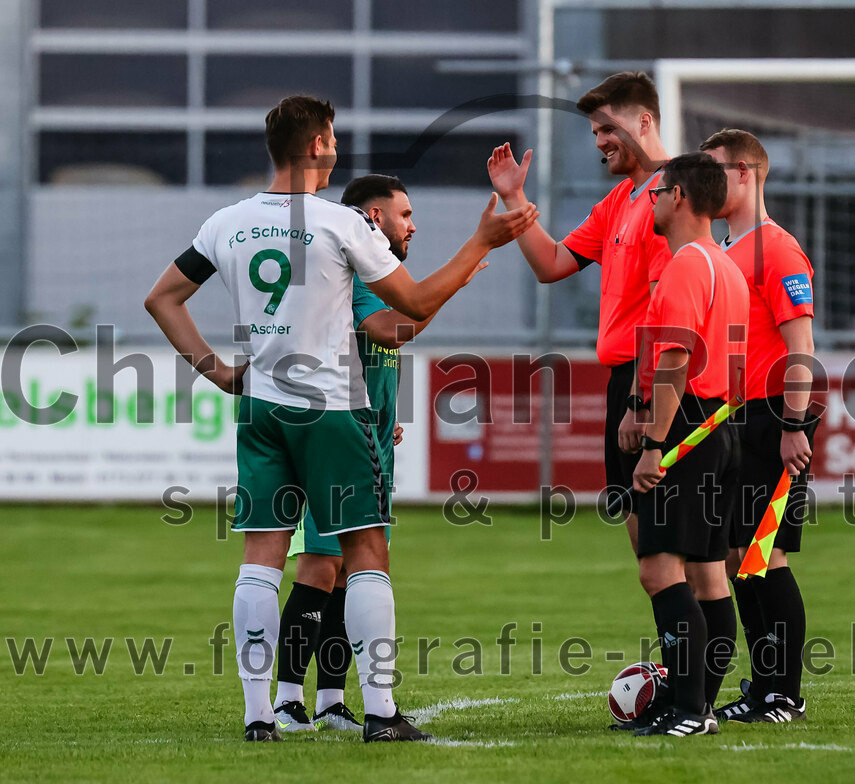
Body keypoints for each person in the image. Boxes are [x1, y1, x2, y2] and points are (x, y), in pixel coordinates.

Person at [144, 96, 537, 742]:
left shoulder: (226, 223)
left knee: (260, 560)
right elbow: (411, 307)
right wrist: (480, 243)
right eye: (332, 139)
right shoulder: (339, 223)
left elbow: (162, 298)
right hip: (330, 408)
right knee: (366, 552)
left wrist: (218, 371)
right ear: (315, 146)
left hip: (261, 408)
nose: (336, 149)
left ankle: (259, 716)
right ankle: (379, 711)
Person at [272, 174, 452, 734]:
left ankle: (330, 701)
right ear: (373, 218)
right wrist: (456, 278)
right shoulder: (353, 276)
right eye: (405, 214)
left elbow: (383, 346)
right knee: (320, 566)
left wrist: (382, 416)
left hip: (368, 443)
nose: (413, 226)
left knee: (349, 573)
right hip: (335, 444)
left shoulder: (373, 276)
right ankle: (285, 702)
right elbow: (396, 330)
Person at [487, 71, 672, 555]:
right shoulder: (619, 201)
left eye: (608, 129)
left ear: (645, 122)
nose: (599, 142)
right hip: (626, 381)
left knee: (673, 560)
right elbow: (551, 263)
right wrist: (514, 198)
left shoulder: (673, 195)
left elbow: (666, 311)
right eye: (595, 132)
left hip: (656, 378)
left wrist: (643, 401)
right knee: (650, 557)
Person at [627, 152, 748, 738]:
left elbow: (675, 359)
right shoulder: (726, 264)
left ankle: (690, 709)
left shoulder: (684, 265)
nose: (650, 202)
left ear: (677, 196)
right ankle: (697, 706)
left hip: (687, 432)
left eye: (656, 193)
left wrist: (655, 442)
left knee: (659, 572)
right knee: (709, 578)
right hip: (720, 427)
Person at [700, 129, 817, 724]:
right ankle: (763, 685)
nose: (705, 184)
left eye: (714, 171)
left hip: (775, 418)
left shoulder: (779, 251)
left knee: (765, 556)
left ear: (744, 173)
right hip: (735, 420)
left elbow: (801, 348)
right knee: (736, 557)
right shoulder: (724, 250)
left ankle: (784, 695)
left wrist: (794, 425)